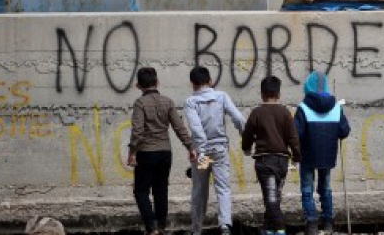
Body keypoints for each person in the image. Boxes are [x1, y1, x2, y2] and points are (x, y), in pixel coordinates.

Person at [127, 67, 195, 235]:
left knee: (141, 191)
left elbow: (137, 131)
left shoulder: (140, 103)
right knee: (161, 190)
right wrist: (190, 146)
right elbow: (179, 127)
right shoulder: (168, 101)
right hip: (165, 153)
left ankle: (152, 228)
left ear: (138, 85)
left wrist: (132, 152)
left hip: (146, 153)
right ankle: (161, 226)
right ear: (157, 83)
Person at [184, 66, 246, 235]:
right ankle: (225, 225)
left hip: (203, 153)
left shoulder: (191, 102)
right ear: (210, 81)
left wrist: (201, 148)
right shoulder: (222, 96)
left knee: (200, 190)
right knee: (223, 187)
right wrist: (244, 135)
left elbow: (196, 128)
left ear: (192, 84)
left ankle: (196, 229)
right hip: (219, 150)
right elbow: (238, 118)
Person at [241, 76, 302, 235]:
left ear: (262, 94)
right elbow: (293, 137)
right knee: (274, 196)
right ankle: (269, 229)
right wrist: (296, 157)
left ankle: (280, 229)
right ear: (278, 94)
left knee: (271, 199)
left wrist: (246, 149)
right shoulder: (285, 113)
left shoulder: (257, 113)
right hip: (282, 162)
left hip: (265, 161)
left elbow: (247, 135)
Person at [294, 71, 350, 235]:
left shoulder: (303, 108)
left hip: (308, 155)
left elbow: (296, 133)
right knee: (325, 187)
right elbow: (344, 131)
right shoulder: (336, 107)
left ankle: (311, 224)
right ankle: (328, 222)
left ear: (308, 86)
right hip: (327, 156)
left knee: (307, 189)